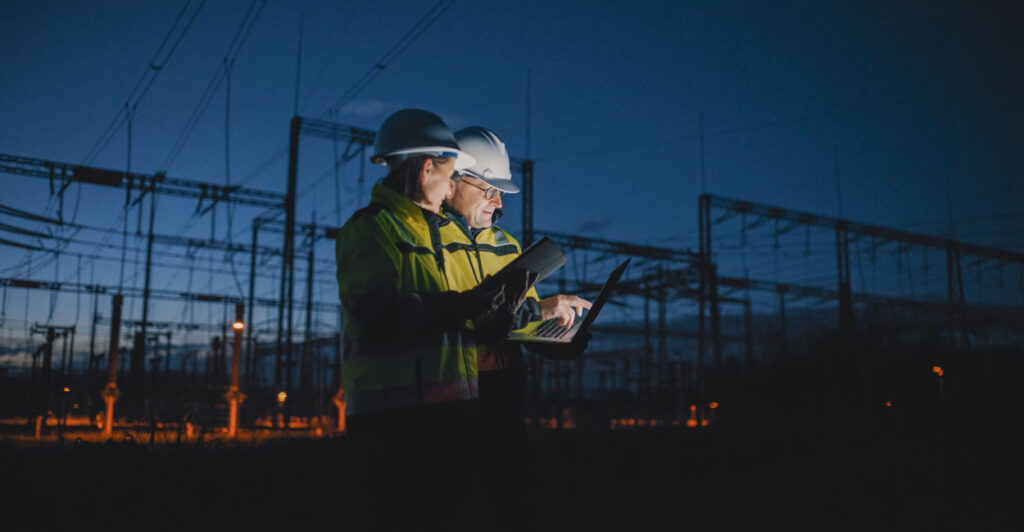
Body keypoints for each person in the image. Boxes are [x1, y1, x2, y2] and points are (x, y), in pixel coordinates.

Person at [334, 109, 535, 530]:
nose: (449, 190)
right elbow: (383, 314)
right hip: (392, 427)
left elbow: (447, 320)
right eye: (450, 176)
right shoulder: (372, 229)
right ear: (428, 169)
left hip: (450, 414)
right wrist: (469, 306)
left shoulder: (426, 233)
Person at [441, 125, 592, 529]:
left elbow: (517, 322)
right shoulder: (426, 242)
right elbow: (458, 316)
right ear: (452, 179)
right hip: (450, 397)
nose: (497, 202)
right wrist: (535, 311)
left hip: (502, 396)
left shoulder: (508, 246)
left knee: (510, 502)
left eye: (501, 193)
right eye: (488, 188)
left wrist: (557, 334)